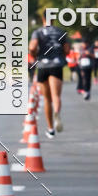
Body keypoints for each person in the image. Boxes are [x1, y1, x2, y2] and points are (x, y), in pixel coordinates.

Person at [29, 11, 70, 139]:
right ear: (54, 19)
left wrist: (34, 54)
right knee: (56, 96)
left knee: (47, 99)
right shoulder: (60, 32)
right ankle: (57, 113)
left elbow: (32, 46)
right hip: (57, 65)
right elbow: (67, 50)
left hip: (43, 66)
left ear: (43, 18)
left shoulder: (38, 32)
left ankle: (50, 128)